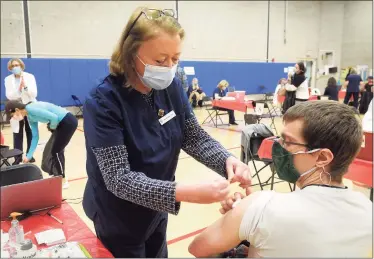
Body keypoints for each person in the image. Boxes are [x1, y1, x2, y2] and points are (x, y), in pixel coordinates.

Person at [82, 7, 251, 258]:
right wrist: (184, 192)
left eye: (175, 59)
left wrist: (227, 160)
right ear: (130, 54)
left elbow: (192, 135)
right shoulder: (103, 100)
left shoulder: (171, 86)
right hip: (118, 216)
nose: (169, 67)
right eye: (160, 60)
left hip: (157, 209)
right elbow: (118, 178)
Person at [189, 101, 372, 258]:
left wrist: (242, 216)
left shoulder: (262, 206)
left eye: (288, 142)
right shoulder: (367, 209)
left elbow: (198, 248)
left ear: (323, 157)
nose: (278, 147)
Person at [5, 100, 78, 189]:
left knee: (56, 151)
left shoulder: (31, 108)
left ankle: (62, 180)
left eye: (13, 116)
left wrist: (52, 127)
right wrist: (28, 156)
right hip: (60, 124)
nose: (15, 118)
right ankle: (55, 174)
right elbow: (35, 137)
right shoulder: (29, 117)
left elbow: (54, 117)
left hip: (67, 121)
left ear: (17, 110)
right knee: (50, 150)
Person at [5, 58, 37, 163]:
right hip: (16, 108)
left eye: (17, 65)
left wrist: (26, 87)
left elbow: (34, 94)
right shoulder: (7, 79)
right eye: (13, 66)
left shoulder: (30, 77)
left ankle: (29, 155)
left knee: (30, 131)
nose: (15, 67)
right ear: (10, 68)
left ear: (21, 66)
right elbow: (9, 95)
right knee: (17, 133)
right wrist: (18, 89)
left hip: (29, 106)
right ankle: (17, 158)